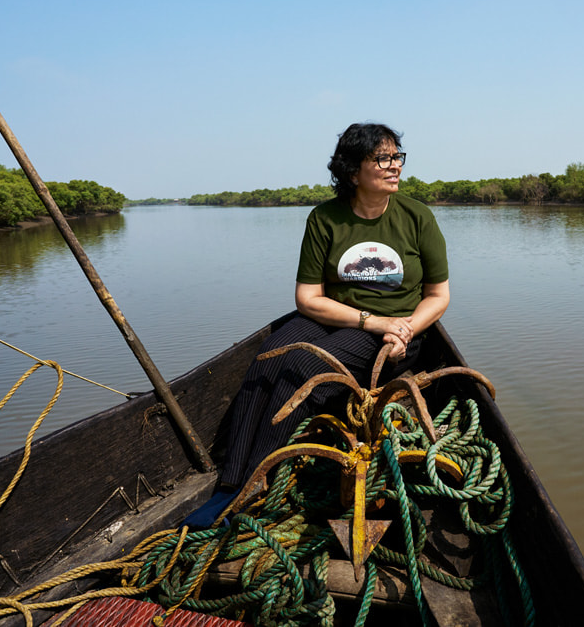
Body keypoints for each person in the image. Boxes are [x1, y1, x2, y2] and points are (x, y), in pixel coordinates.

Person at [185, 123, 450, 527]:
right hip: (335, 317)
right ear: (351, 171)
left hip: (399, 329)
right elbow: (308, 298)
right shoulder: (325, 218)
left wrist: (403, 328)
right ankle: (231, 481)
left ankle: (255, 484)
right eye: (383, 158)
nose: (394, 166)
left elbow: (438, 296)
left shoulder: (418, 217)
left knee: (305, 369)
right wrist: (369, 320)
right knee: (268, 360)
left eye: (397, 156)